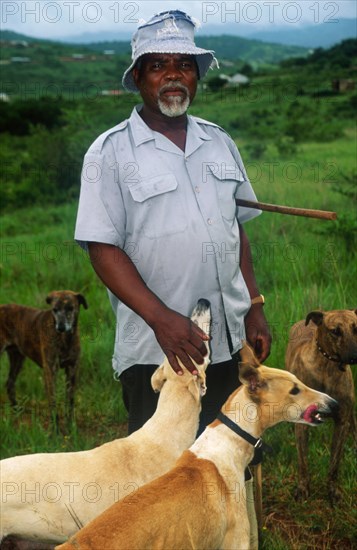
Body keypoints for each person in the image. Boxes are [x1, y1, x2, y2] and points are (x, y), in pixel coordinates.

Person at [75, 10, 272, 435]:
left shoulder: (219, 142)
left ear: (198, 76)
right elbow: (102, 249)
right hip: (159, 351)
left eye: (184, 64)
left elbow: (235, 229)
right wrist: (162, 319)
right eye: (158, 65)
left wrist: (253, 307)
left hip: (227, 343)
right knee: (161, 479)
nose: (173, 75)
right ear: (139, 76)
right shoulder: (109, 153)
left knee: (227, 462)